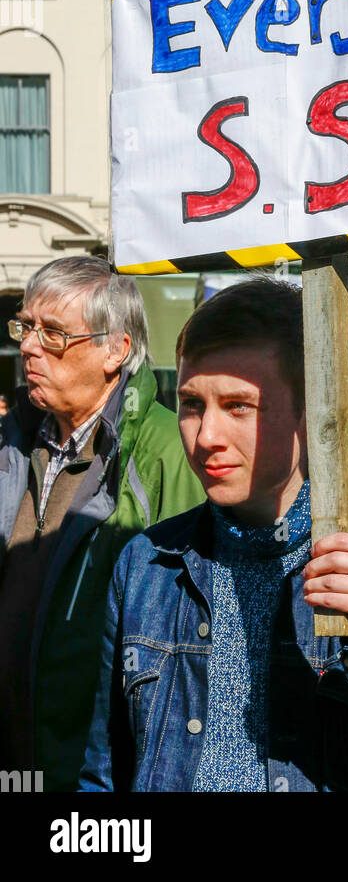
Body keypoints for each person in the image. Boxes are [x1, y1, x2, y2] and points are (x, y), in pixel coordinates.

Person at [80, 276, 348, 793]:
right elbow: (104, 772)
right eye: (192, 404)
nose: (207, 435)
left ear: (311, 412)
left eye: (239, 406)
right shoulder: (148, 563)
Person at [0, 256, 203, 791]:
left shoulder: (163, 449)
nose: (28, 346)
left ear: (115, 350)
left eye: (54, 334)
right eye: (25, 326)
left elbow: (193, 631)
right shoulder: (13, 441)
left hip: (101, 768)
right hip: (16, 758)